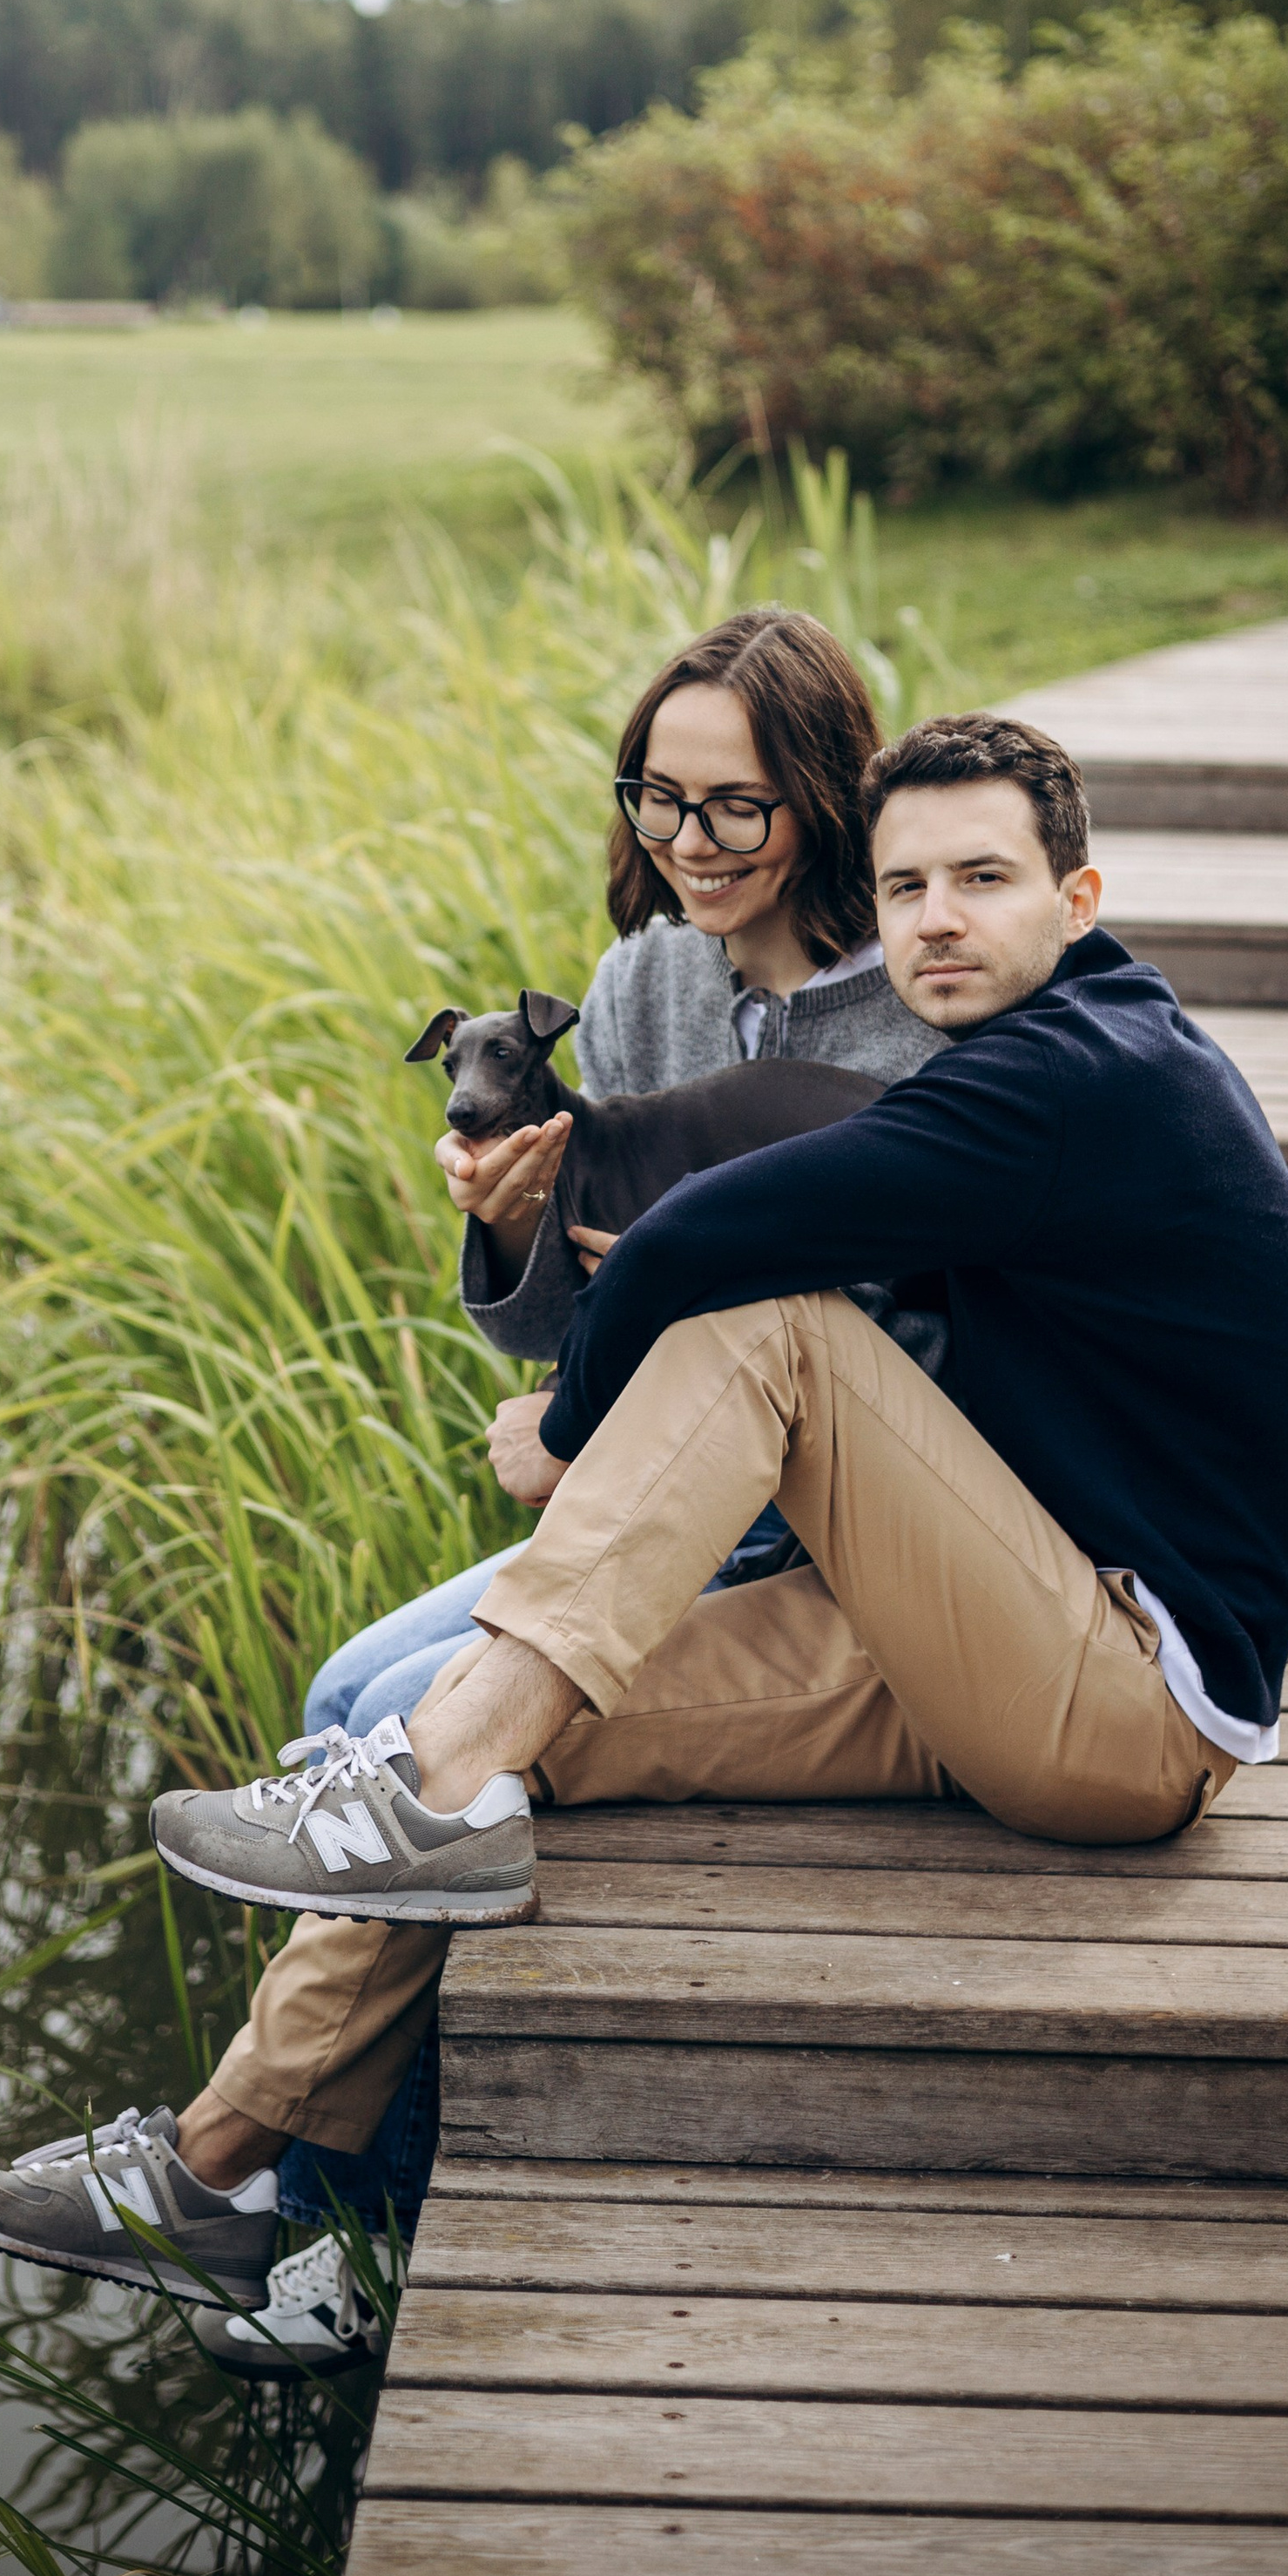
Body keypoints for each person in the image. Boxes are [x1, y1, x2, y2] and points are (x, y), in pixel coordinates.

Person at [0, 711, 1288, 2377]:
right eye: (907, 887)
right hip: (995, 1641)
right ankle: (216, 2171)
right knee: (483, 1725)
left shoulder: (1078, 1078)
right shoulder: (1029, 1056)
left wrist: (573, 1428)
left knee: (777, 1327)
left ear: (1078, 895)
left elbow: (702, 1239)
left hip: (1128, 1693)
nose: (939, 917)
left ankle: (405, 1824)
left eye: (983, 878)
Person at [306, 602, 946, 1747]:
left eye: (737, 806)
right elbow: (564, 1323)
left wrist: (661, 1307)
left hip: (830, 1527)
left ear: (827, 800)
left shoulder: (924, 1012)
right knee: (334, 1693)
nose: (688, 839)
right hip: (648, 1493)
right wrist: (514, 1230)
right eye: (658, 796)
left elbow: (933, 1324)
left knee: (385, 1720)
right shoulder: (641, 981)